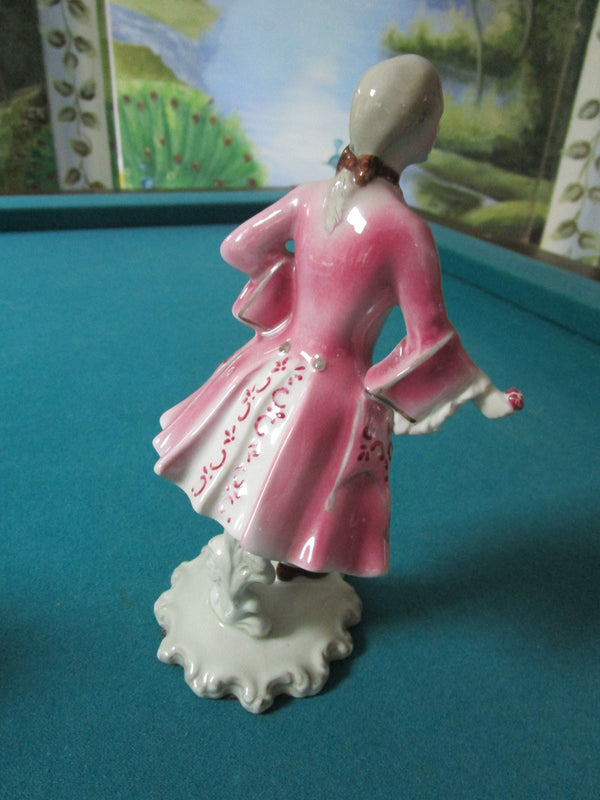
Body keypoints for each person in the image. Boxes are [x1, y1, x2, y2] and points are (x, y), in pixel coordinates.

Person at [153, 54, 523, 579]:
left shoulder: (308, 197)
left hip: (272, 365)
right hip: (336, 395)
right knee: (303, 498)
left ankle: (261, 573)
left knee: (255, 470)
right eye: (435, 117)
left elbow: (238, 248)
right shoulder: (404, 230)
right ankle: (279, 573)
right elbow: (429, 336)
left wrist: (293, 287)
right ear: (419, 129)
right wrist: (482, 392)